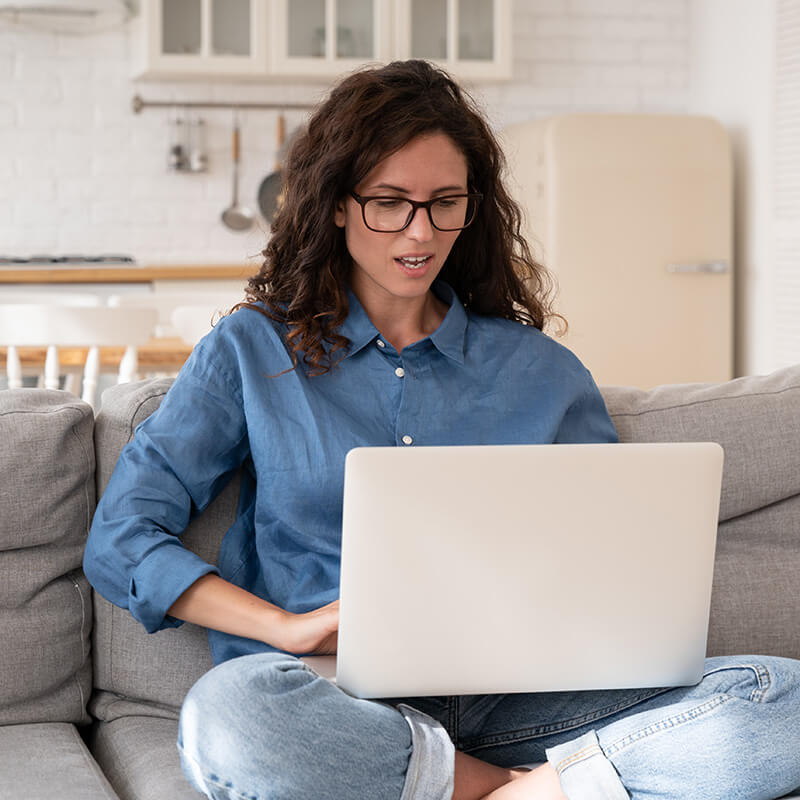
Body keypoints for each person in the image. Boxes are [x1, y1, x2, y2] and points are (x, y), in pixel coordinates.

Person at [83, 60, 800, 800]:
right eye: (389, 203)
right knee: (230, 721)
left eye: (445, 203)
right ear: (336, 205)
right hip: (334, 699)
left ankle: (482, 786)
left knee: (782, 697)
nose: (420, 232)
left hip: (521, 701)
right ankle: (535, 789)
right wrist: (286, 628)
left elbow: (609, 564)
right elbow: (121, 538)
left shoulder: (543, 372)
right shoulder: (254, 349)